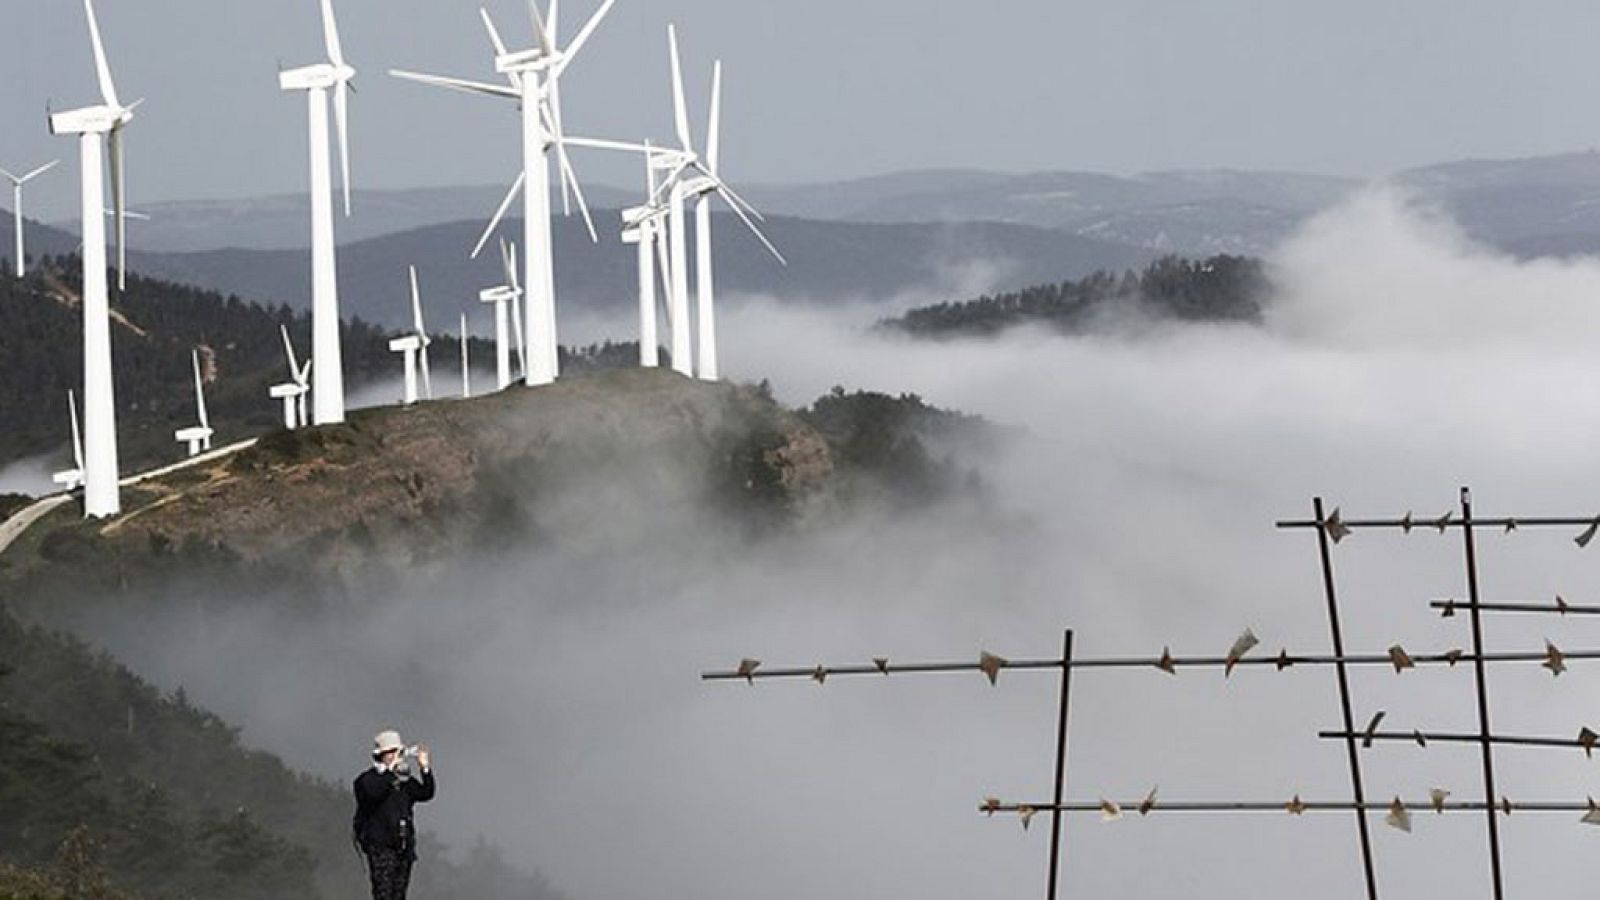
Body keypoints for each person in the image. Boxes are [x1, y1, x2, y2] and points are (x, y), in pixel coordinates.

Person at [353, 729, 436, 900]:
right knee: (383, 894)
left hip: (403, 848)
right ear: (380, 755)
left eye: (397, 752)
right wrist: (391, 772)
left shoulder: (403, 782)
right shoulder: (367, 780)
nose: (395, 756)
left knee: (398, 895)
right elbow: (372, 793)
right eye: (391, 752)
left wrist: (424, 768)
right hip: (381, 848)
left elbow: (425, 793)